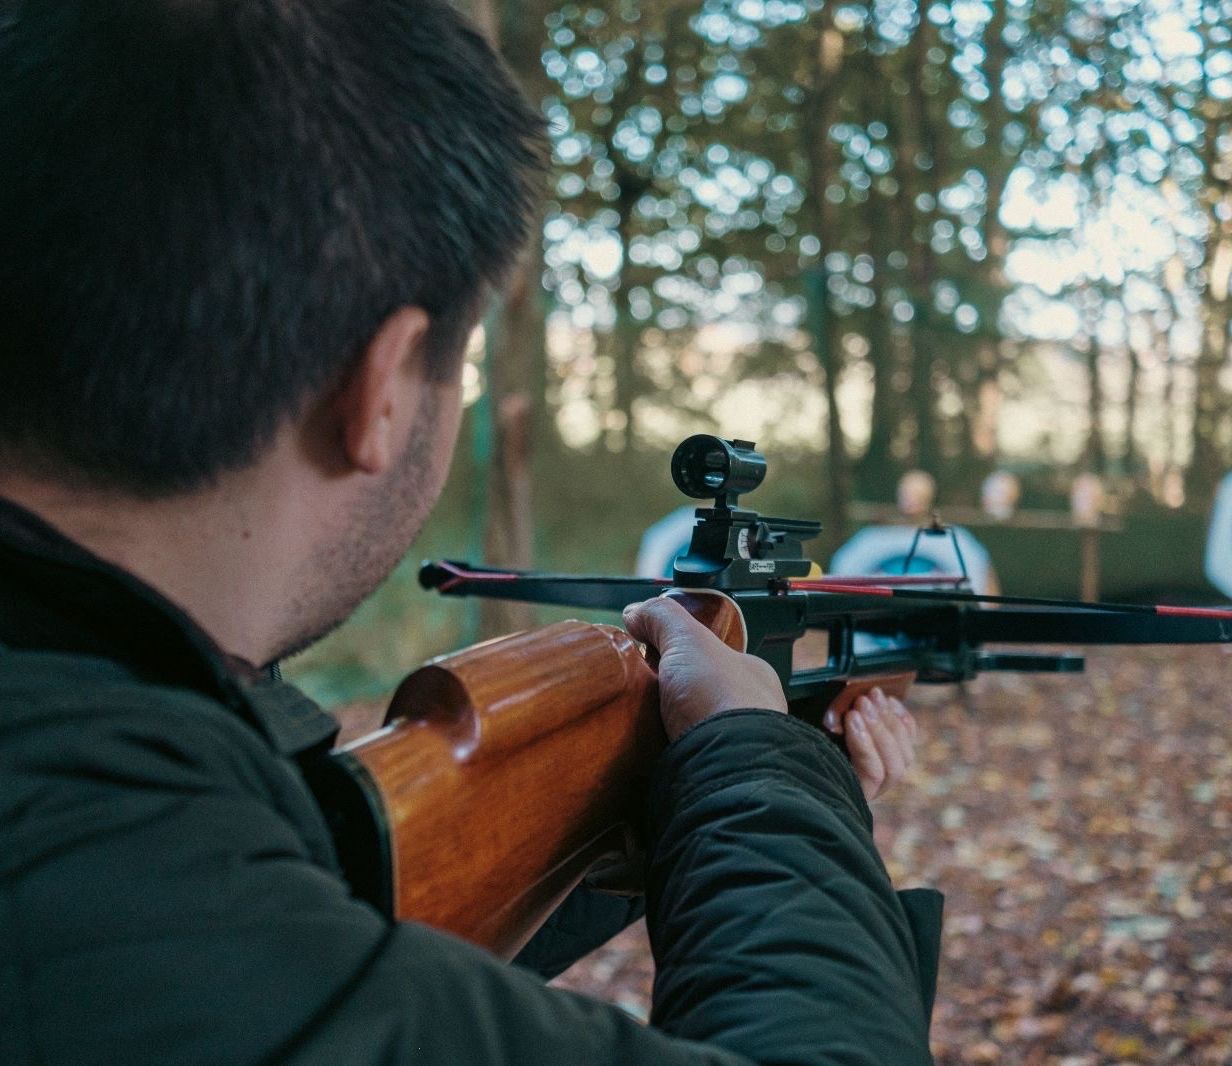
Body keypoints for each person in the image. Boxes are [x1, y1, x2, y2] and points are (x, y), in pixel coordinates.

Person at [0, 2, 939, 1063]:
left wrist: (699, 810)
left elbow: (368, 940)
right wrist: (767, 772)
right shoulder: (147, 907)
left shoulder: (103, 802)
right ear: (386, 387)